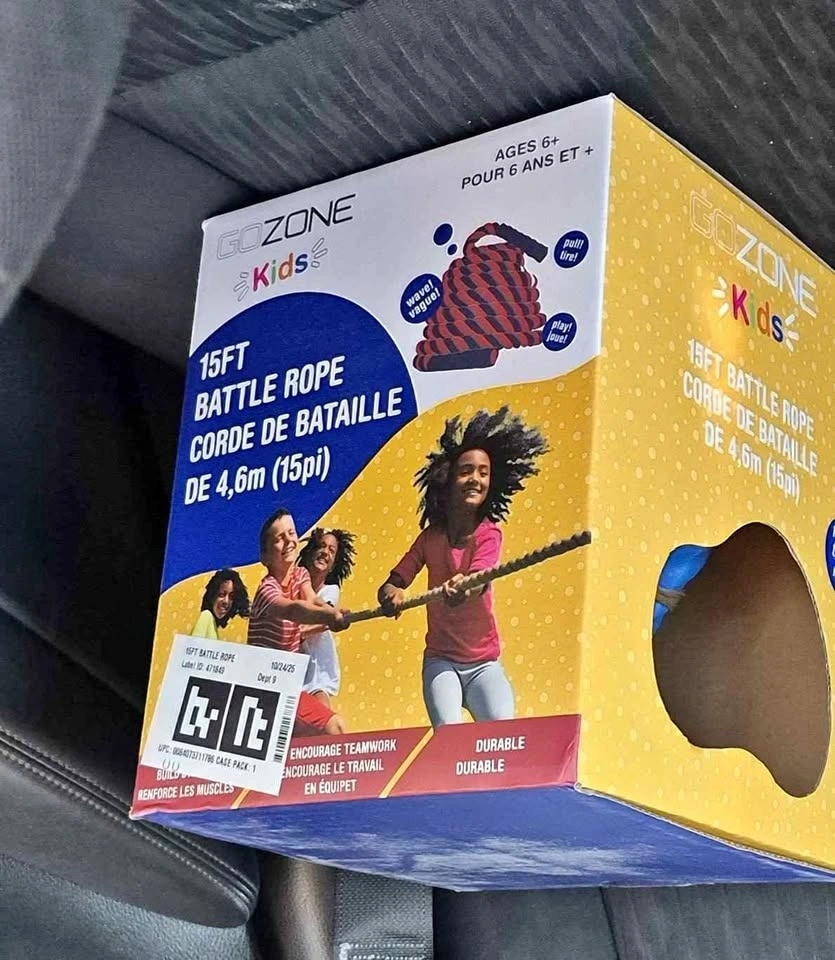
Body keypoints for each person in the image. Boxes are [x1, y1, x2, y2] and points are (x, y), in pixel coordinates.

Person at [377, 406, 547, 727]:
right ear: (448, 479)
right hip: (441, 662)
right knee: (449, 733)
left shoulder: (489, 533)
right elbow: (395, 580)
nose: (476, 479)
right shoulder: (430, 538)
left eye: (483, 473)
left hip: (484, 663)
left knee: (501, 731)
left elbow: (479, 578)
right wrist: (390, 594)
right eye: (467, 471)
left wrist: (464, 586)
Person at [247, 506, 350, 736]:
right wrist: (329, 616)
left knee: (312, 733)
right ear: (265, 557)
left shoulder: (300, 575)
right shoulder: (267, 591)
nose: (288, 541)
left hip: (289, 682)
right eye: (279, 539)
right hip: (268, 685)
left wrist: (332, 612)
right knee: (335, 727)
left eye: (291, 533)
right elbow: (293, 610)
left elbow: (312, 600)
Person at [297, 527, 357, 708]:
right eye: (321, 546)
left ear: (333, 565)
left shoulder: (330, 591)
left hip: (317, 671)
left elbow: (325, 619)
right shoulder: (292, 586)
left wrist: (298, 633)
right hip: (293, 665)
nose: (325, 552)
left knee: (322, 711)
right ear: (310, 552)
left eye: (331, 550)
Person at [190, 568, 250, 640]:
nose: (226, 601)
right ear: (212, 595)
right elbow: (194, 645)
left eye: (231, 597)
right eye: (221, 594)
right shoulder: (206, 616)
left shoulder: (213, 624)